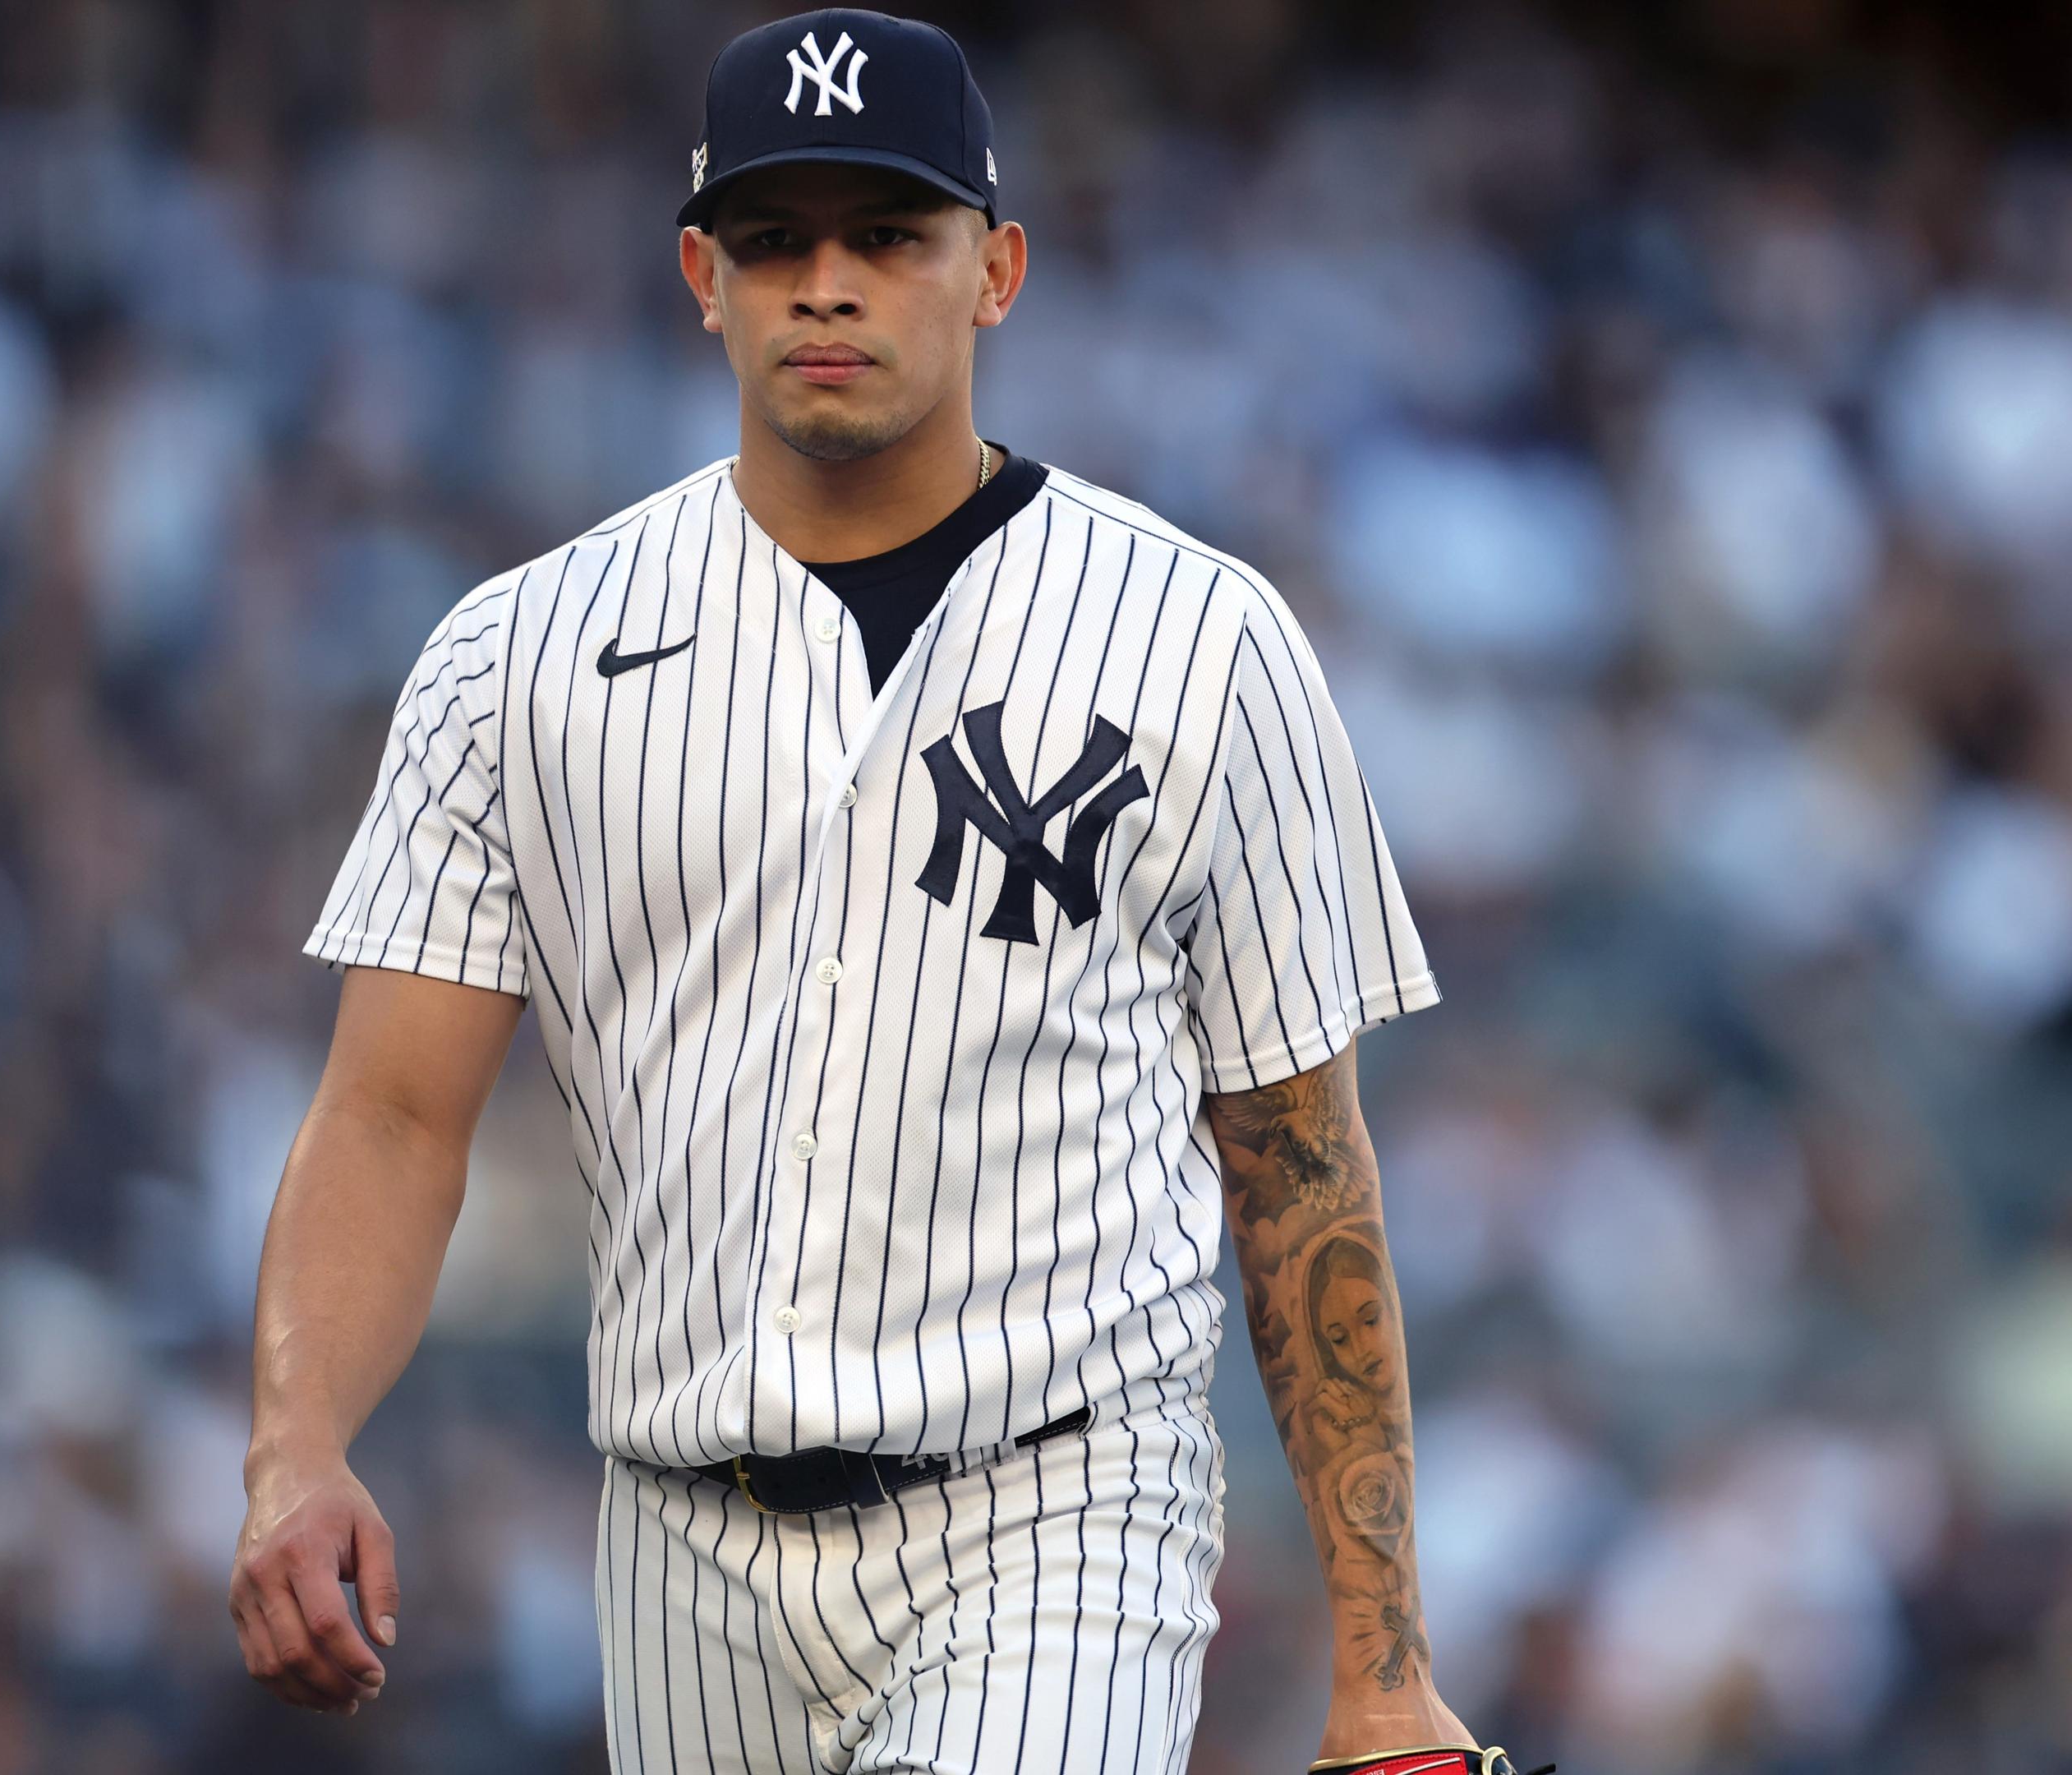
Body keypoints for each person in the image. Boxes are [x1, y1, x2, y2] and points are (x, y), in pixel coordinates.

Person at [230, 11, 1489, 1771]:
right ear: (702, 274)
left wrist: (1382, 1662)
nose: (827, 285)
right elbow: (386, 1110)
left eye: (887, 236)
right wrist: (297, 1445)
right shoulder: (515, 658)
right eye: (776, 240)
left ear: (998, 270)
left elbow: (1296, 1163)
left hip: (1055, 1507)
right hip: (676, 1542)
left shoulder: (1201, 639)